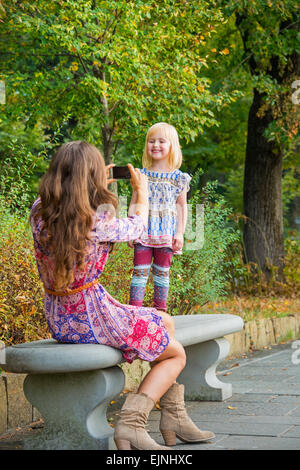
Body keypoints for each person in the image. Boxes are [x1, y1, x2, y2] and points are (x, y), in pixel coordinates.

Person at [30, 140, 214, 450]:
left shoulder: (39, 210)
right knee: (177, 354)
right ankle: (130, 425)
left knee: (164, 320)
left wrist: (91, 184)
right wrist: (141, 193)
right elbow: (139, 228)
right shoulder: (96, 221)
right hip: (92, 316)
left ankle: (174, 417)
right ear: (91, 177)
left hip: (59, 317)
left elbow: (73, 208)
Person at [128, 122, 191, 312]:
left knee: (162, 275)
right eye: (151, 141)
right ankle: (135, 312)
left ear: (172, 146)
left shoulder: (178, 178)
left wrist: (179, 233)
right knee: (139, 273)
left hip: (166, 234)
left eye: (161, 141)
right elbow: (134, 202)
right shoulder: (141, 175)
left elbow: (182, 206)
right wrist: (132, 229)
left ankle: (160, 313)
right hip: (144, 232)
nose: (155, 145)